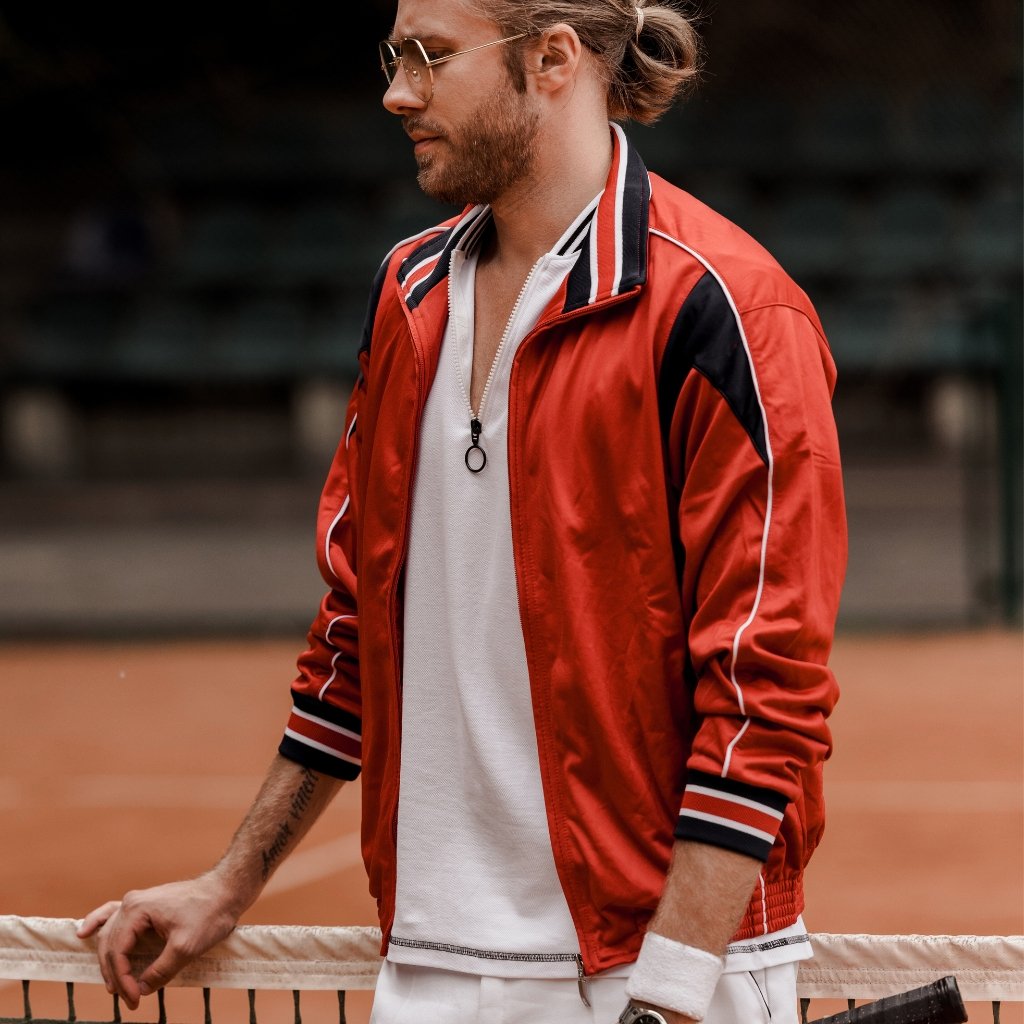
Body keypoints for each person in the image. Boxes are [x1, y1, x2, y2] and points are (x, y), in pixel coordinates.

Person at [78, 2, 847, 1022]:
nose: (397, 91)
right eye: (394, 56)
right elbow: (359, 629)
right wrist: (232, 877)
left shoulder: (728, 309)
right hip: (433, 957)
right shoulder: (407, 291)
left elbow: (764, 689)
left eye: (431, 57)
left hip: (659, 969)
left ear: (553, 58)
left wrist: (669, 991)